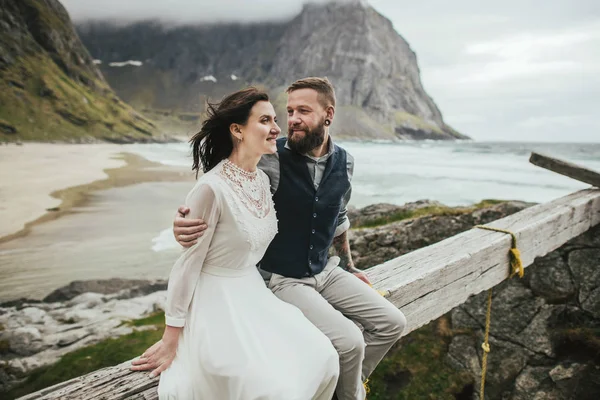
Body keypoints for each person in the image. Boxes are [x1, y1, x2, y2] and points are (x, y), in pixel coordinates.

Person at [172, 78, 407, 400]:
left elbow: (338, 218)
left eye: (303, 111)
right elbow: (229, 190)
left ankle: (344, 385)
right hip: (283, 276)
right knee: (349, 341)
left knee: (393, 322)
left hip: (326, 269)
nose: (292, 119)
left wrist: (350, 267)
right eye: (290, 110)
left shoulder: (345, 161)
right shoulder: (271, 157)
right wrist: (184, 221)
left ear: (328, 115)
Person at [130, 87, 340, 400]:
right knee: (272, 390)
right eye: (265, 120)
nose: (277, 128)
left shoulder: (263, 180)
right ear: (237, 130)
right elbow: (188, 265)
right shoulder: (211, 189)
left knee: (324, 356)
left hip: (253, 295)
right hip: (214, 305)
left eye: (274, 119)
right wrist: (171, 337)